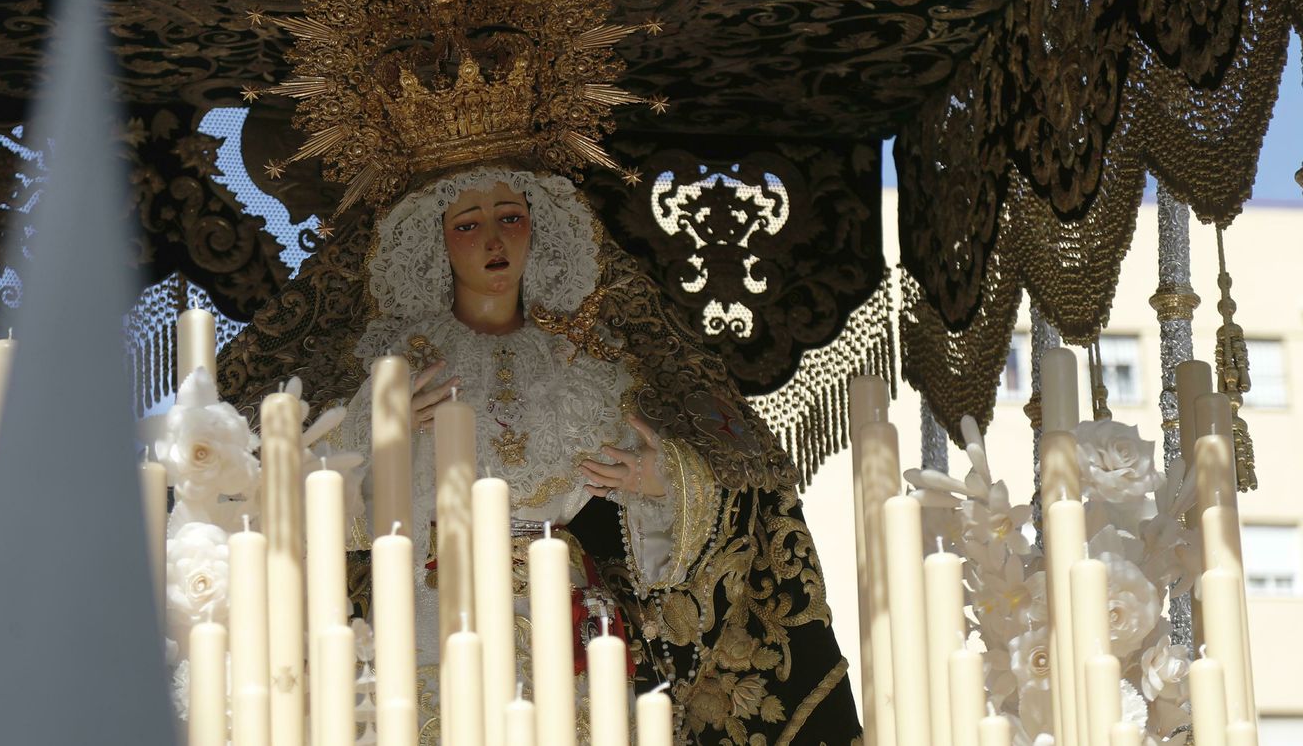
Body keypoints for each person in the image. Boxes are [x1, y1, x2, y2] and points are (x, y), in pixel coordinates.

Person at [219, 166, 861, 744]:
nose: (494, 241)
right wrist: (366, 438)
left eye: (510, 218)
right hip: (428, 610)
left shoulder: (594, 366)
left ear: (538, 227)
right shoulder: (394, 370)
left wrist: (662, 483)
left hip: (569, 620)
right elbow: (302, 501)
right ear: (435, 241)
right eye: (468, 224)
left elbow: (708, 499)